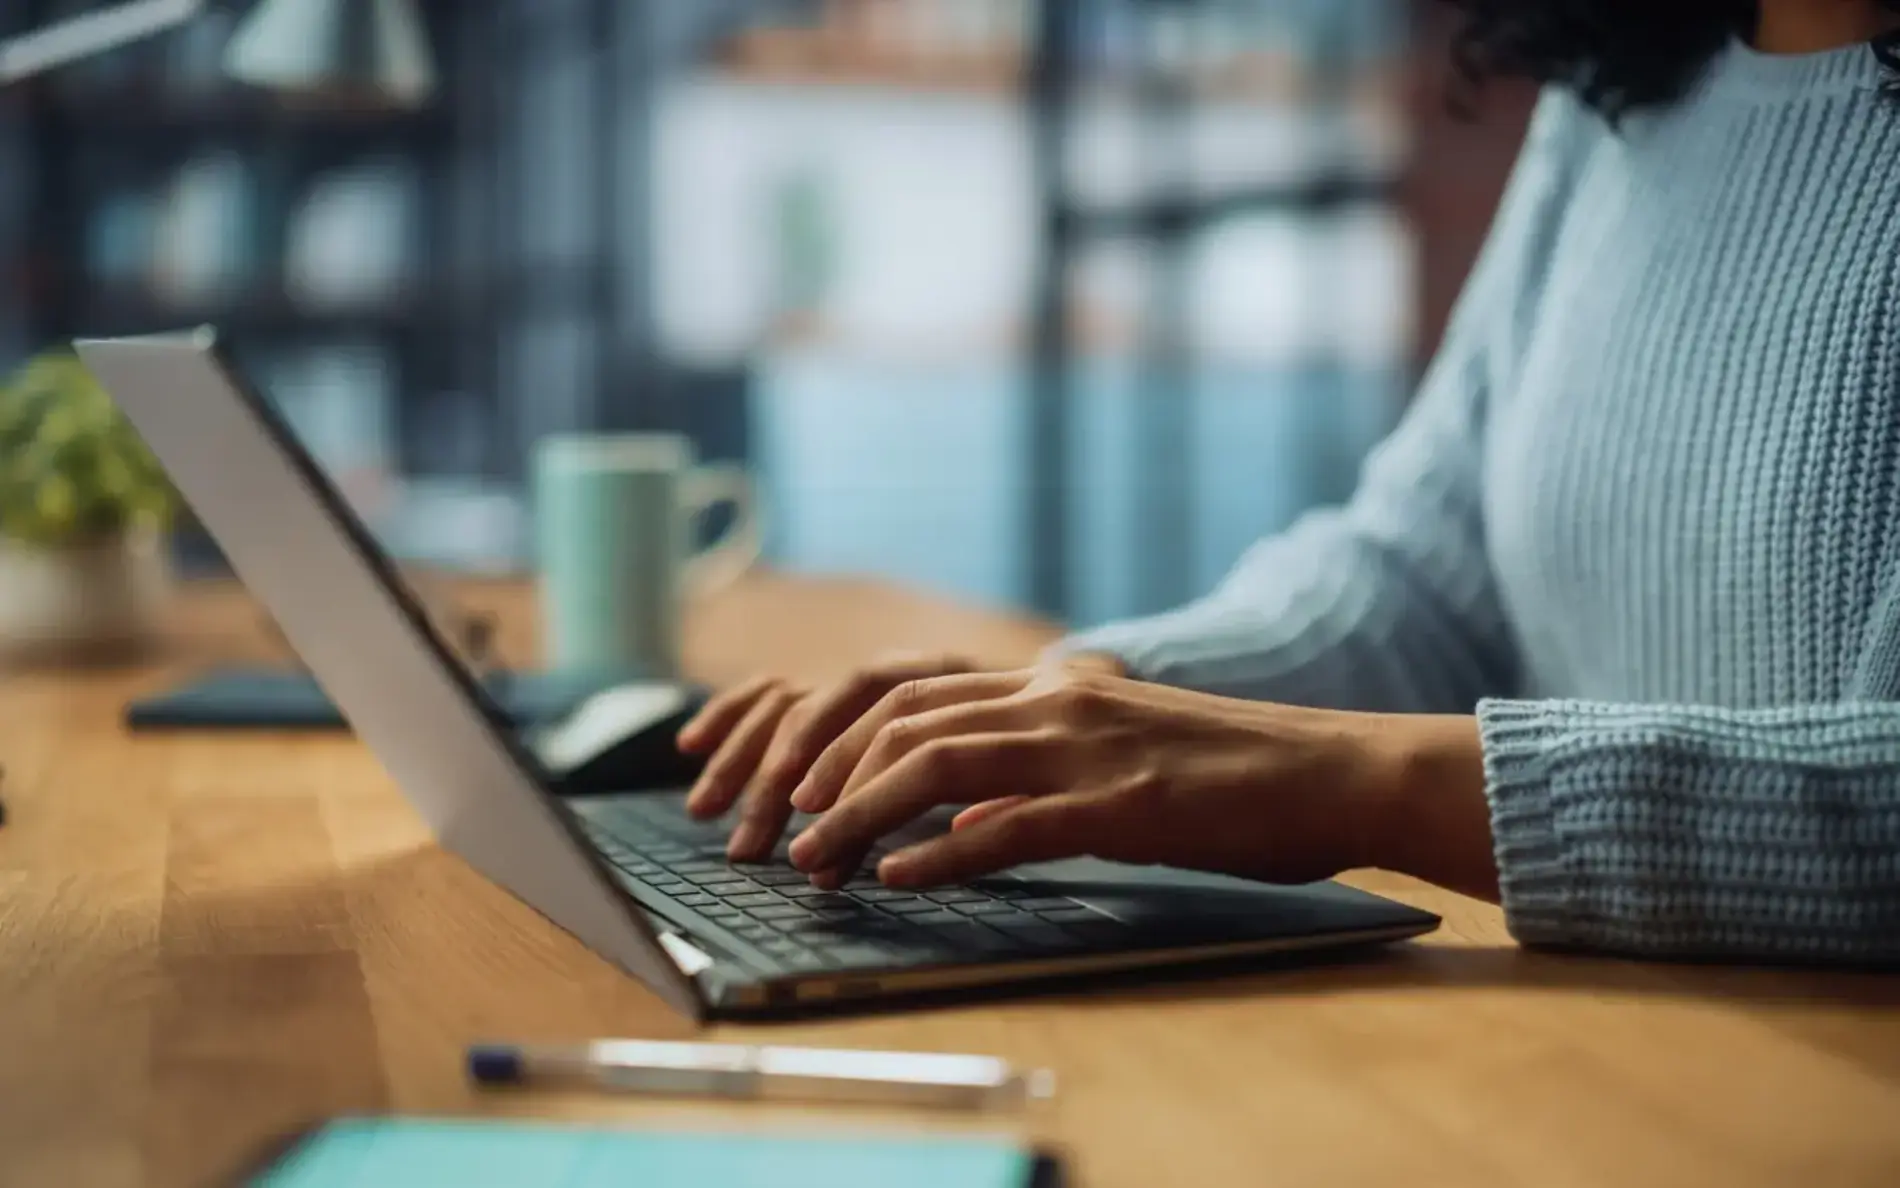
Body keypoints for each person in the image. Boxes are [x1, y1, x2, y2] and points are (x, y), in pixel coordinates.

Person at [678, 0, 1900, 966]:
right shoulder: (1617, 90)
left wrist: (1361, 783)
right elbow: (1426, 563)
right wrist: (1096, 692)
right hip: (1574, 1031)